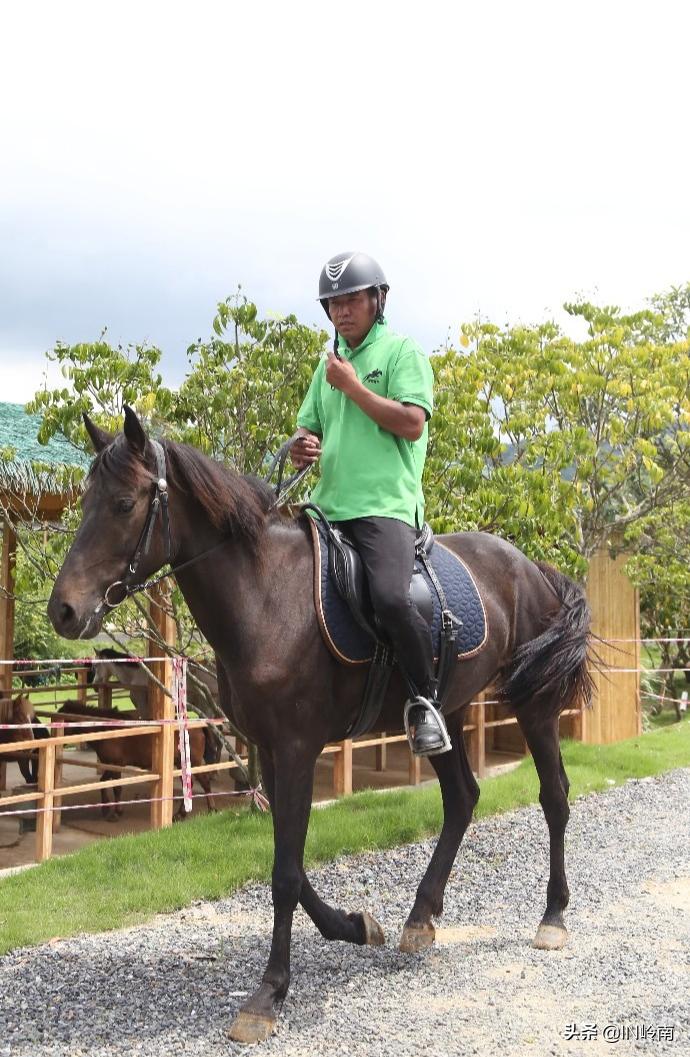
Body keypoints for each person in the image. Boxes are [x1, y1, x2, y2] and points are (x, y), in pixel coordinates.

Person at [292, 251, 451, 756]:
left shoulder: (403, 353)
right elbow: (308, 428)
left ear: (378, 300)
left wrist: (354, 387)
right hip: (327, 507)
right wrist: (302, 445)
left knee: (389, 597)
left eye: (352, 300)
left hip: (385, 507)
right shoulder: (327, 367)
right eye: (333, 303)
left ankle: (426, 702)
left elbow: (412, 423)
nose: (341, 311)